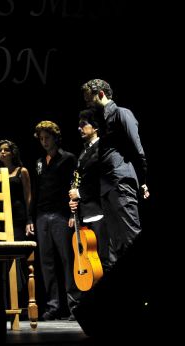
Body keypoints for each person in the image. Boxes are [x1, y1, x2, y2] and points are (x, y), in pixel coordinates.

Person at [81, 79, 150, 268]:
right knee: (117, 247)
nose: (88, 105)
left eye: (90, 100)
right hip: (107, 188)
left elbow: (138, 150)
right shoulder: (102, 121)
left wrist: (142, 180)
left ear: (101, 94)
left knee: (132, 238)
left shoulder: (122, 113)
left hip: (120, 183)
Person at [27, 120, 78, 321]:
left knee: (67, 260)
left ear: (55, 137)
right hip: (42, 216)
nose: (44, 142)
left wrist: (75, 215)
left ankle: (74, 305)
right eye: (41, 139)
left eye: (47, 138)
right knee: (46, 263)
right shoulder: (39, 162)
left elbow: (74, 187)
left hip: (61, 215)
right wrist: (31, 217)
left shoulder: (68, 158)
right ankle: (53, 305)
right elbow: (35, 191)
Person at [0, 139, 32, 309]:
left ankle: (21, 304)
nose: (3, 153)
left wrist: (29, 219)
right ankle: (3, 305)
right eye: (0, 151)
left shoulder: (22, 171)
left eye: (6, 150)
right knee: (0, 264)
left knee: (17, 262)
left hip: (17, 220)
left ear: (13, 153)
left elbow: (28, 197)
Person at [68, 109, 109, 271]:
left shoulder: (102, 149)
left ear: (96, 127)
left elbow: (102, 180)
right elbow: (78, 179)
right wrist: (74, 200)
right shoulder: (84, 151)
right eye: (79, 125)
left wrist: (79, 193)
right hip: (86, 213)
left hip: (100, 211)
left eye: (84, 125)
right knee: (91, 261)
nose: (80, 128)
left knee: (103, 259)